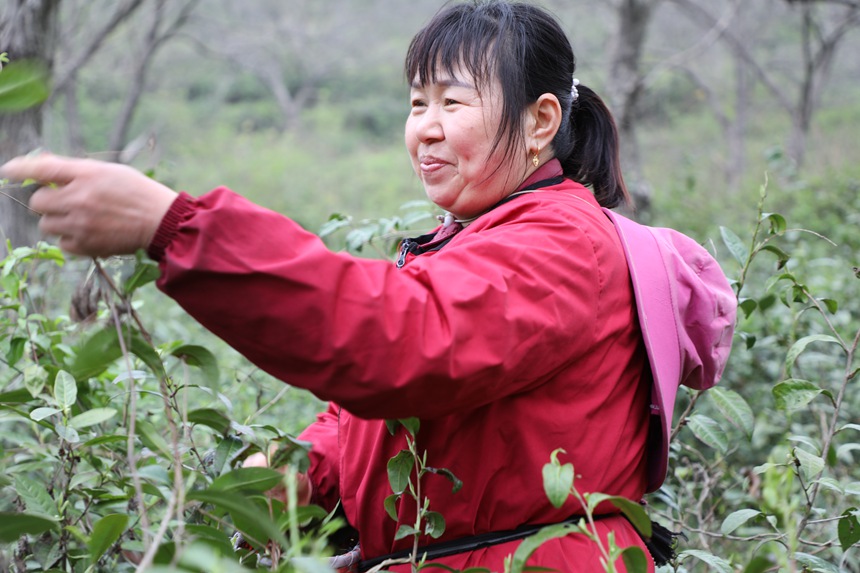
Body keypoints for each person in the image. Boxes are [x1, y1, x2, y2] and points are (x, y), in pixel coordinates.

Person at [2, 1, 661, 570]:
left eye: (453, 102)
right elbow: (410, 414)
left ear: (541, 121)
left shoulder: (561, 241)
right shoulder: (477, 234)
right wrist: (296, 469)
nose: (425, 127)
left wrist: (172, 227)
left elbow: (401, 342)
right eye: (416, 103)